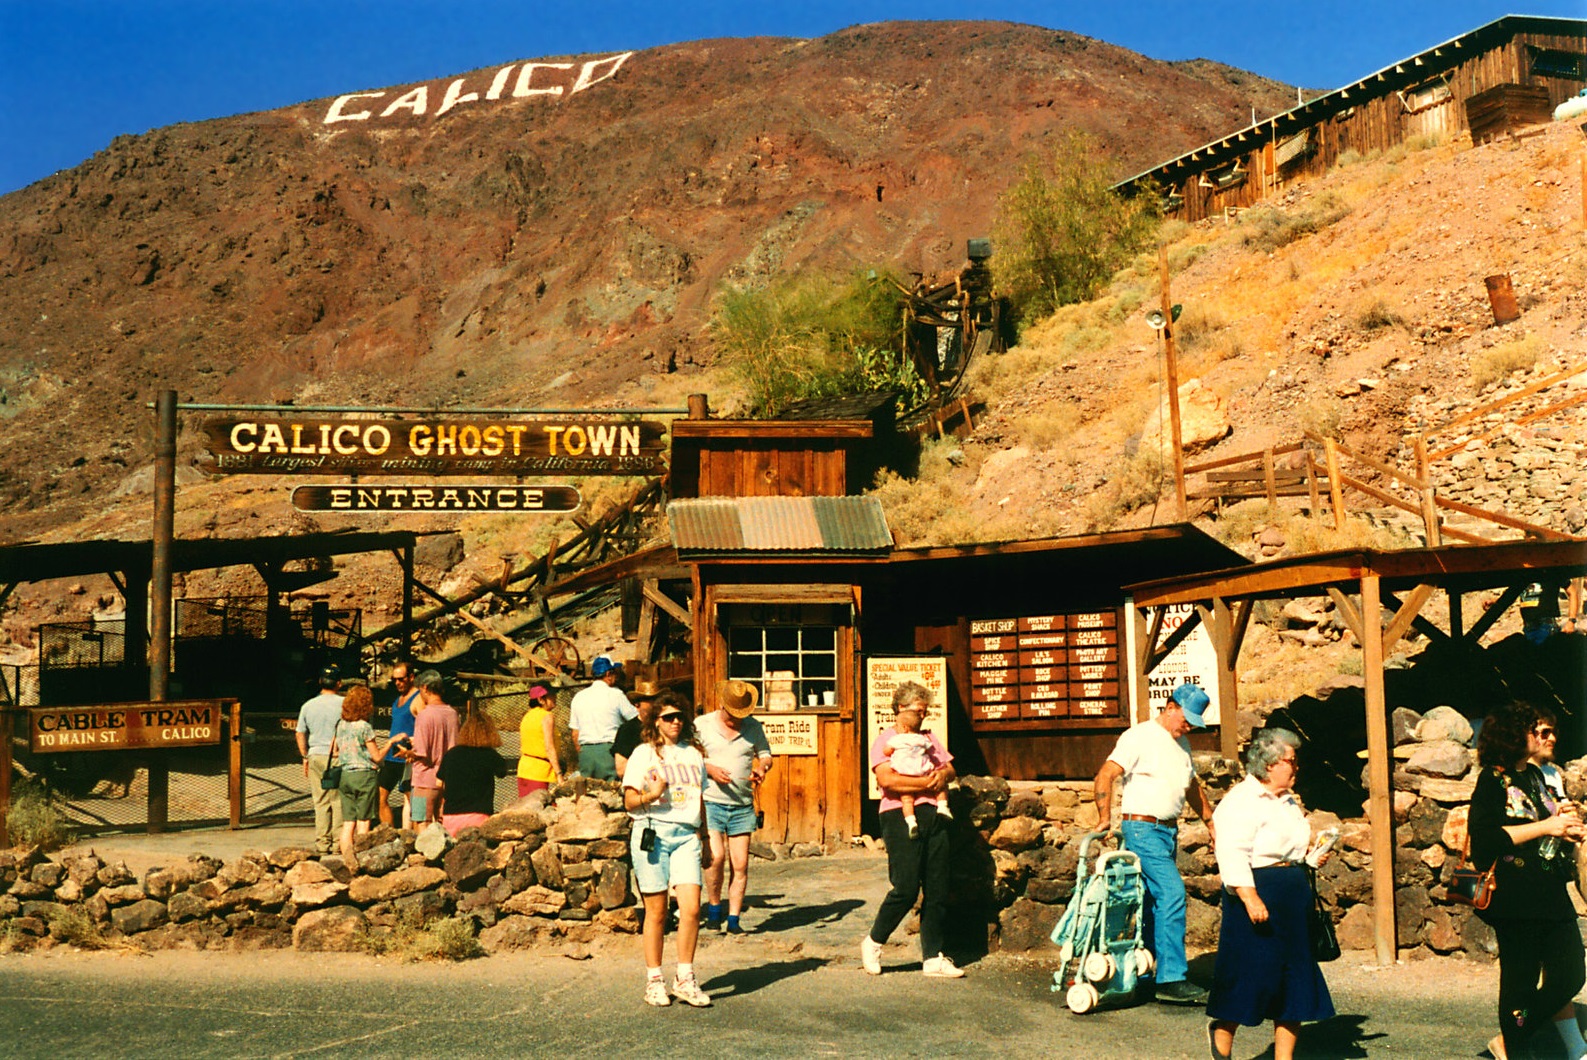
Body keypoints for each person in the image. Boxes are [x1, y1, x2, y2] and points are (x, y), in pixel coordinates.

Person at [1205, 727, 1335, 1060]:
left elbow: (1287, 852)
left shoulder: (1288, 800)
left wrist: (1311, 858)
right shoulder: (1242, 801)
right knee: (1251, 975)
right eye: (1291, 761)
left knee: (1294, 980)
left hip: (1292, 895)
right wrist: (1249, 897)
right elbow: (1231, 850)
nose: (1296, 767)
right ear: (1270, 763)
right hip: (1256, 894)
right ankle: (1223, 1031)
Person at [1469, 701, 1587, 1060]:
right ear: (1514, 734)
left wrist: (1564, 828)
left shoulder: (1535, 778)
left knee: (1571, 974)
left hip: (1550, 892)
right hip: (1515, 897)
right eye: (1536, 730)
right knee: (1519, 984)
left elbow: (1542, 831)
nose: (1545, 736)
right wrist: (1546, 826)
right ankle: (1517, 1047)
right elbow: (1485, 840)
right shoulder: (1493, 779)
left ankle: (1513, 1036)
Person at [1093, 680, 1217, 1005]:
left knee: (1151, 901)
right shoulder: (1140, 736)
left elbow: (1192, 787)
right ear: (1170, 706)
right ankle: (1172, 978)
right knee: (1172, 893)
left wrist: (1211, 824)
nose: (1188, 725)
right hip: (1142, 829)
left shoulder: (1183, 745)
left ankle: (1143, 972)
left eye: (1193, 721)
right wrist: (1105, 817)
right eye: (1185, 718)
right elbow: (1105, 774)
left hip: (1167, 832)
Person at [861, 680, 962, 979]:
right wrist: (928, 783)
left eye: (925, 711)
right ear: (901, 709)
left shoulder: (930, 738)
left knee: (937, 886)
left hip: (935, 814)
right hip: (898, 815)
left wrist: (943, 774)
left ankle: (932, 957)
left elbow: (950, 768)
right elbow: (888, 780)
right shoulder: (885, 740)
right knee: (905, 888)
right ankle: (874, 941)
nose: (923, 717)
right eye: (919, 711)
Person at [622, 692, 712, 1007]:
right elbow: (629, 801)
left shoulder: (694, 755)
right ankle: (655, 980)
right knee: (657, 911)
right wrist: (652, 793)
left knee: (691, 909)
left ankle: (684, 978)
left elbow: (700, 797)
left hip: (687, 834)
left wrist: (705, 838)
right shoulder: (642, 754)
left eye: (679, 717)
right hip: (653, 832)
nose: (675, 722)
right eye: (668, 717)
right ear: (655, 721)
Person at [699, 679, 774, 934]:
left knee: (740, 863)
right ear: (722, 705)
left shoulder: (753, 727)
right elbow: (688, 756)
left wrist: (761, 768)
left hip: (742, 804)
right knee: (716, 856)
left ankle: (733, 919)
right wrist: (709, 769)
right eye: (733, 715)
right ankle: (713, 908)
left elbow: (765, 754)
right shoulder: (702, 725)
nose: (737, 720)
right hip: (711, 801)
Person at [332, 684, 405, 864]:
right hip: (364, 776)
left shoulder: (341, 725)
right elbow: (378, 757)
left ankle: (347, 860)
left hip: (345, 775)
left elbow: (335, 751)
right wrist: (391, 742)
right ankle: (361, 858)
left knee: (348, 823)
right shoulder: (364, 727)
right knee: (364, 821)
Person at [295, 665, 346, 856]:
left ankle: (322, 843)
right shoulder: (345, 704)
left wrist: (305, 755)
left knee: (321, 801)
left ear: (320, 682)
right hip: (338, 755)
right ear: (339, 683)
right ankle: (338, 842)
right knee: (338, 801)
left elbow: (300, 732)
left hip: (316, 754)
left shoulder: (308, 705)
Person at [882, 706, 954, 840]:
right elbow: (932, 752)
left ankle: (910, 821)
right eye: (920, 711)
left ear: (904, 728)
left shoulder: (896, 739)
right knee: (941, 787)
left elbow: (886, 751)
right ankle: (943, 806)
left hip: (904, 773)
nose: (923, 715)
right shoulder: (923, 739)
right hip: (922, 771)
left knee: (907, 800)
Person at [437, 704, 510, 835]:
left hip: (451, 816)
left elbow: (438, 783)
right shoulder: (490, 755)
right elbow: (502, 772)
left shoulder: (452, 754)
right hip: (479, 815)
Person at [400, 670, 459, 827]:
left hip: (424, 780)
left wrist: (407, 752)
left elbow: (422, 751)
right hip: (447, 779)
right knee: (443, 823)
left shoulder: (424, 715)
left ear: (425, 688)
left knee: (421, 822)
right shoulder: (453, 714)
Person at [569, 655, 636, 781]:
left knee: (588, 793)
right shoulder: (616, 694)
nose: (616, 677)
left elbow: (575, 734)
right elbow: (634, 720)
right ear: (608, 674)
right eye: (614, 673)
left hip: (586, 753)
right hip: (609, 750)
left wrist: (583, 753)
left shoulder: (579, 697)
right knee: (613, 793)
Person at [378, 661, 420, 828]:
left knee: (414, 803)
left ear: (411, 677)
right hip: (392, 758)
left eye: (401, 679)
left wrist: (413, 743)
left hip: (407, 757)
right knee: (380, 796)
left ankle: (419, 841)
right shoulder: (398, 699)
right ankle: (388, 834)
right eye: (394, 680)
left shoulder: (418, 699)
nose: (397, 683)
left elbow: (426, 726)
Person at [516, 684, 561, 797]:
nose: (555, 697)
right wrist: (559, 774)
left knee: (524, 809)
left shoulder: (527, 716)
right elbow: (549, 747)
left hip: (524, 769)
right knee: (538, 810)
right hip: (539, 772)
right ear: (541, 699)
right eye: (551, 695)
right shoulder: (546, 716)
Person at [613, 678, 661, 779]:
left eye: (657, 699)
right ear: (637, 704)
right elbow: (621, 770)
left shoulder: (666, 726)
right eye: (649, 700)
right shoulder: (628, 730)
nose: (655, 704)